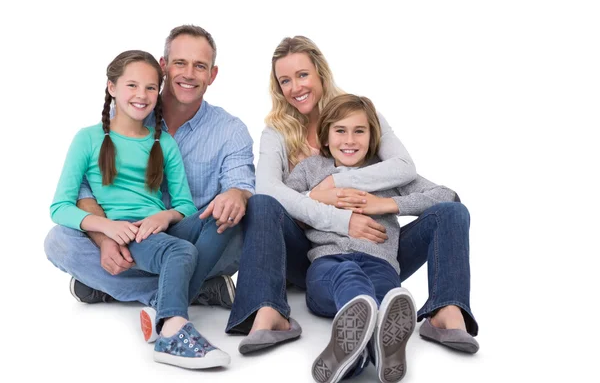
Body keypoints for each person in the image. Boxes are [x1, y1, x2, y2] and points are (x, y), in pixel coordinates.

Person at [227, 36, 478, 362]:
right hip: (319, 255)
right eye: (284, 80)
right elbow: (271, 196)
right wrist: (326, 203)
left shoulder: (376, 149)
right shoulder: (293, 152)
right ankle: (271, 313)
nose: (295, 87)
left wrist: (384, 204)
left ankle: (446, 312)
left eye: (303, 74)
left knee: (450, 213)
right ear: (327, 138)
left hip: (380, 255)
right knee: (264, 207)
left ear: (320, 73)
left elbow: (444, 194)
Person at [44, 26, 254, 324]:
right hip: (125, 236)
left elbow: (211, 198)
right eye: (181, 62)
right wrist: (105, 234)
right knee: (58, 240)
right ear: (165, 67)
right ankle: (184, 293)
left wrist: (231, 196)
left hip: (189, 239)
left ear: (212, 74)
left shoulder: (225, 131)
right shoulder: (99, 134)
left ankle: (111, 288)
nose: (189, 73)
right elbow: (75, 197)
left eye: (200, 66)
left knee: (234, 224)